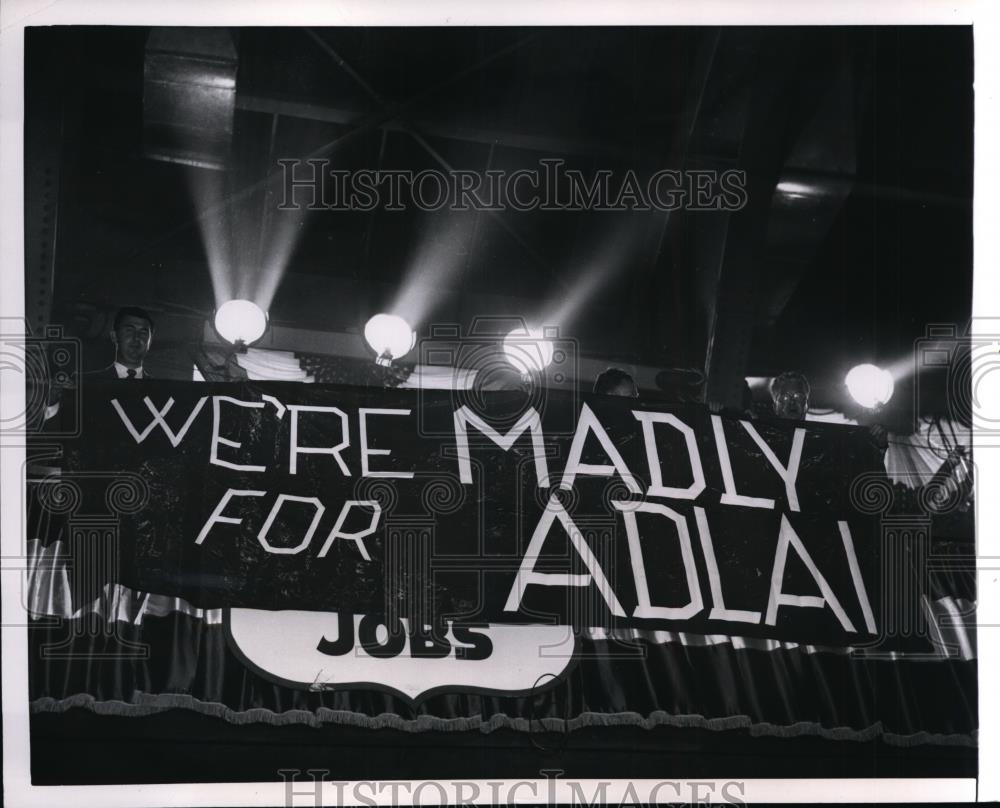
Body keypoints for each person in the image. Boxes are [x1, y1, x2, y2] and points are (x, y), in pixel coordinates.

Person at [85, 306, 155, 379]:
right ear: (114, 336)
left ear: (150, 341)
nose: (136, 337)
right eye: (129, 330)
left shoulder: (160, 387)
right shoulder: (85, 381)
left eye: (143, 333)